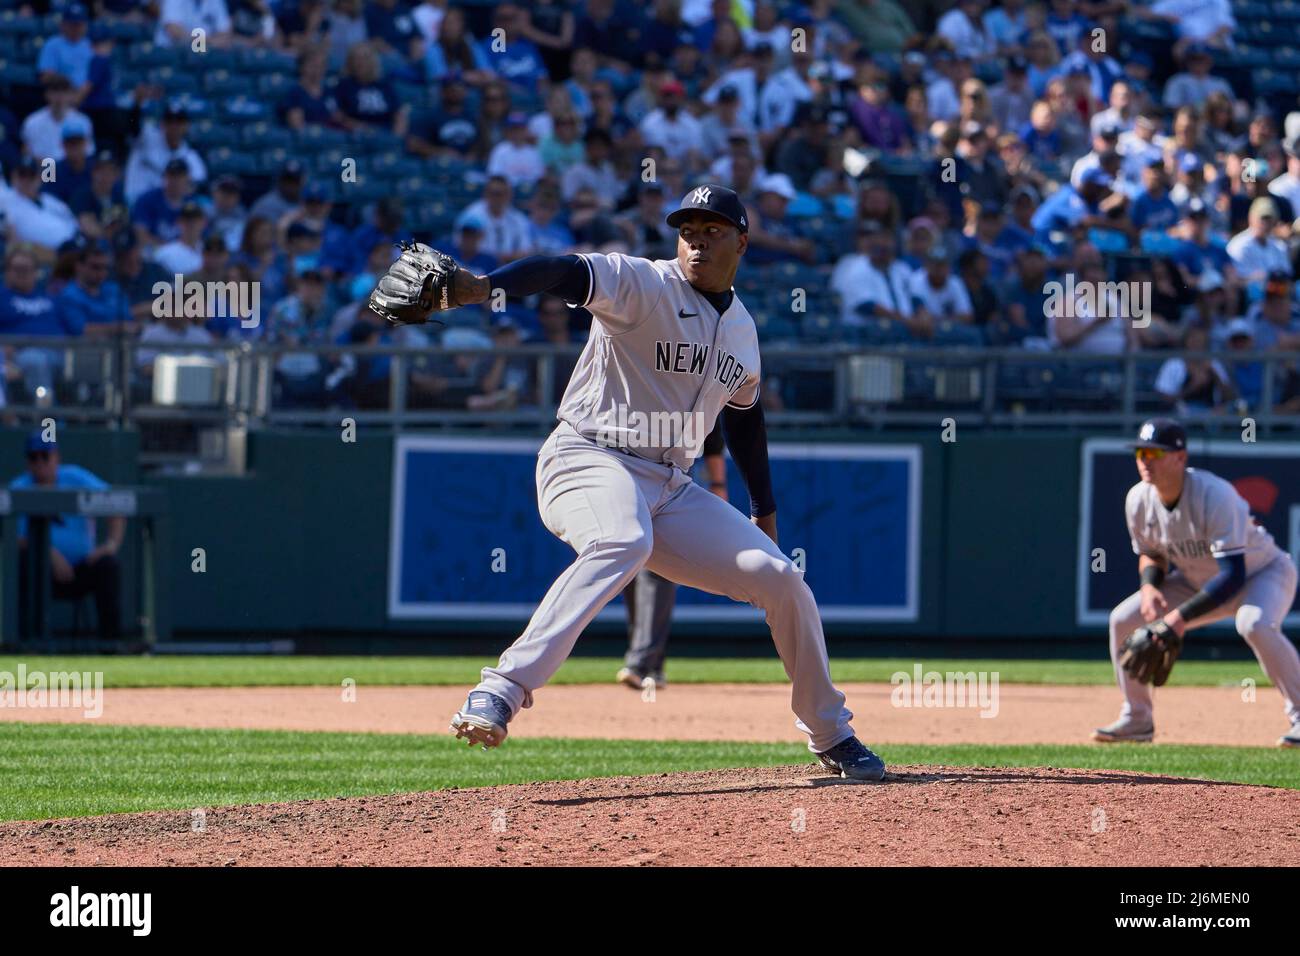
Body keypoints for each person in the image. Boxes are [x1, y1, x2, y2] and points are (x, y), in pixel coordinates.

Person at [388, 184, 885, 780]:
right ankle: (502, 687)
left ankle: (831, 735)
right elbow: (562, 272)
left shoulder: (743, 330)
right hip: (587, 456)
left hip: (671, 486)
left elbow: (745, 417)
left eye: (713, 229)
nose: (697, 238)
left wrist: (765, 512)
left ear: (743, 242)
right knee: (622, 541)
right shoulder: (645, 283)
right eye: (688, 228)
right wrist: (482, 287)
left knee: (782, 579)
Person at [1095, 419, 1300, 748]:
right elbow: (1152, 554)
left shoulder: (1213, 494)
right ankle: (1137, 719)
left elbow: (1233, 574)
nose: (1144, 459)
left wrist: (1176, 621)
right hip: (1196, 581)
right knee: (1122, 619)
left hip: (1261, 574)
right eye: (1140, 452)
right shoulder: (1138, 499)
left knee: (1255, 623)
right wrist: (1149, 587)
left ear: (1180, 457)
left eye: (1154, 452)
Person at [616, 421, 727, 690]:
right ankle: (651, 664)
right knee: (631, 568)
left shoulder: (692, 389)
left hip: (672, 488)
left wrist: (718, 483)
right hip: (626, 483)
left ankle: (640, 662)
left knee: (657, 569)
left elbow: (713, 439)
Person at [10, 430, 125, 641]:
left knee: (108, 565)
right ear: (28, 462)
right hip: (40, 572)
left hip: (81, 568)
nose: (40, 463)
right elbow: (12, 538)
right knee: (22, 563)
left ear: (57, 458)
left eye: (45, 456)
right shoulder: (19, 487)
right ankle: (25, 641)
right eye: (34, 457)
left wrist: (110, 544)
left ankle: (111, 645)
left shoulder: (75, 477)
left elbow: (115, 506)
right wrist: (48, 553)